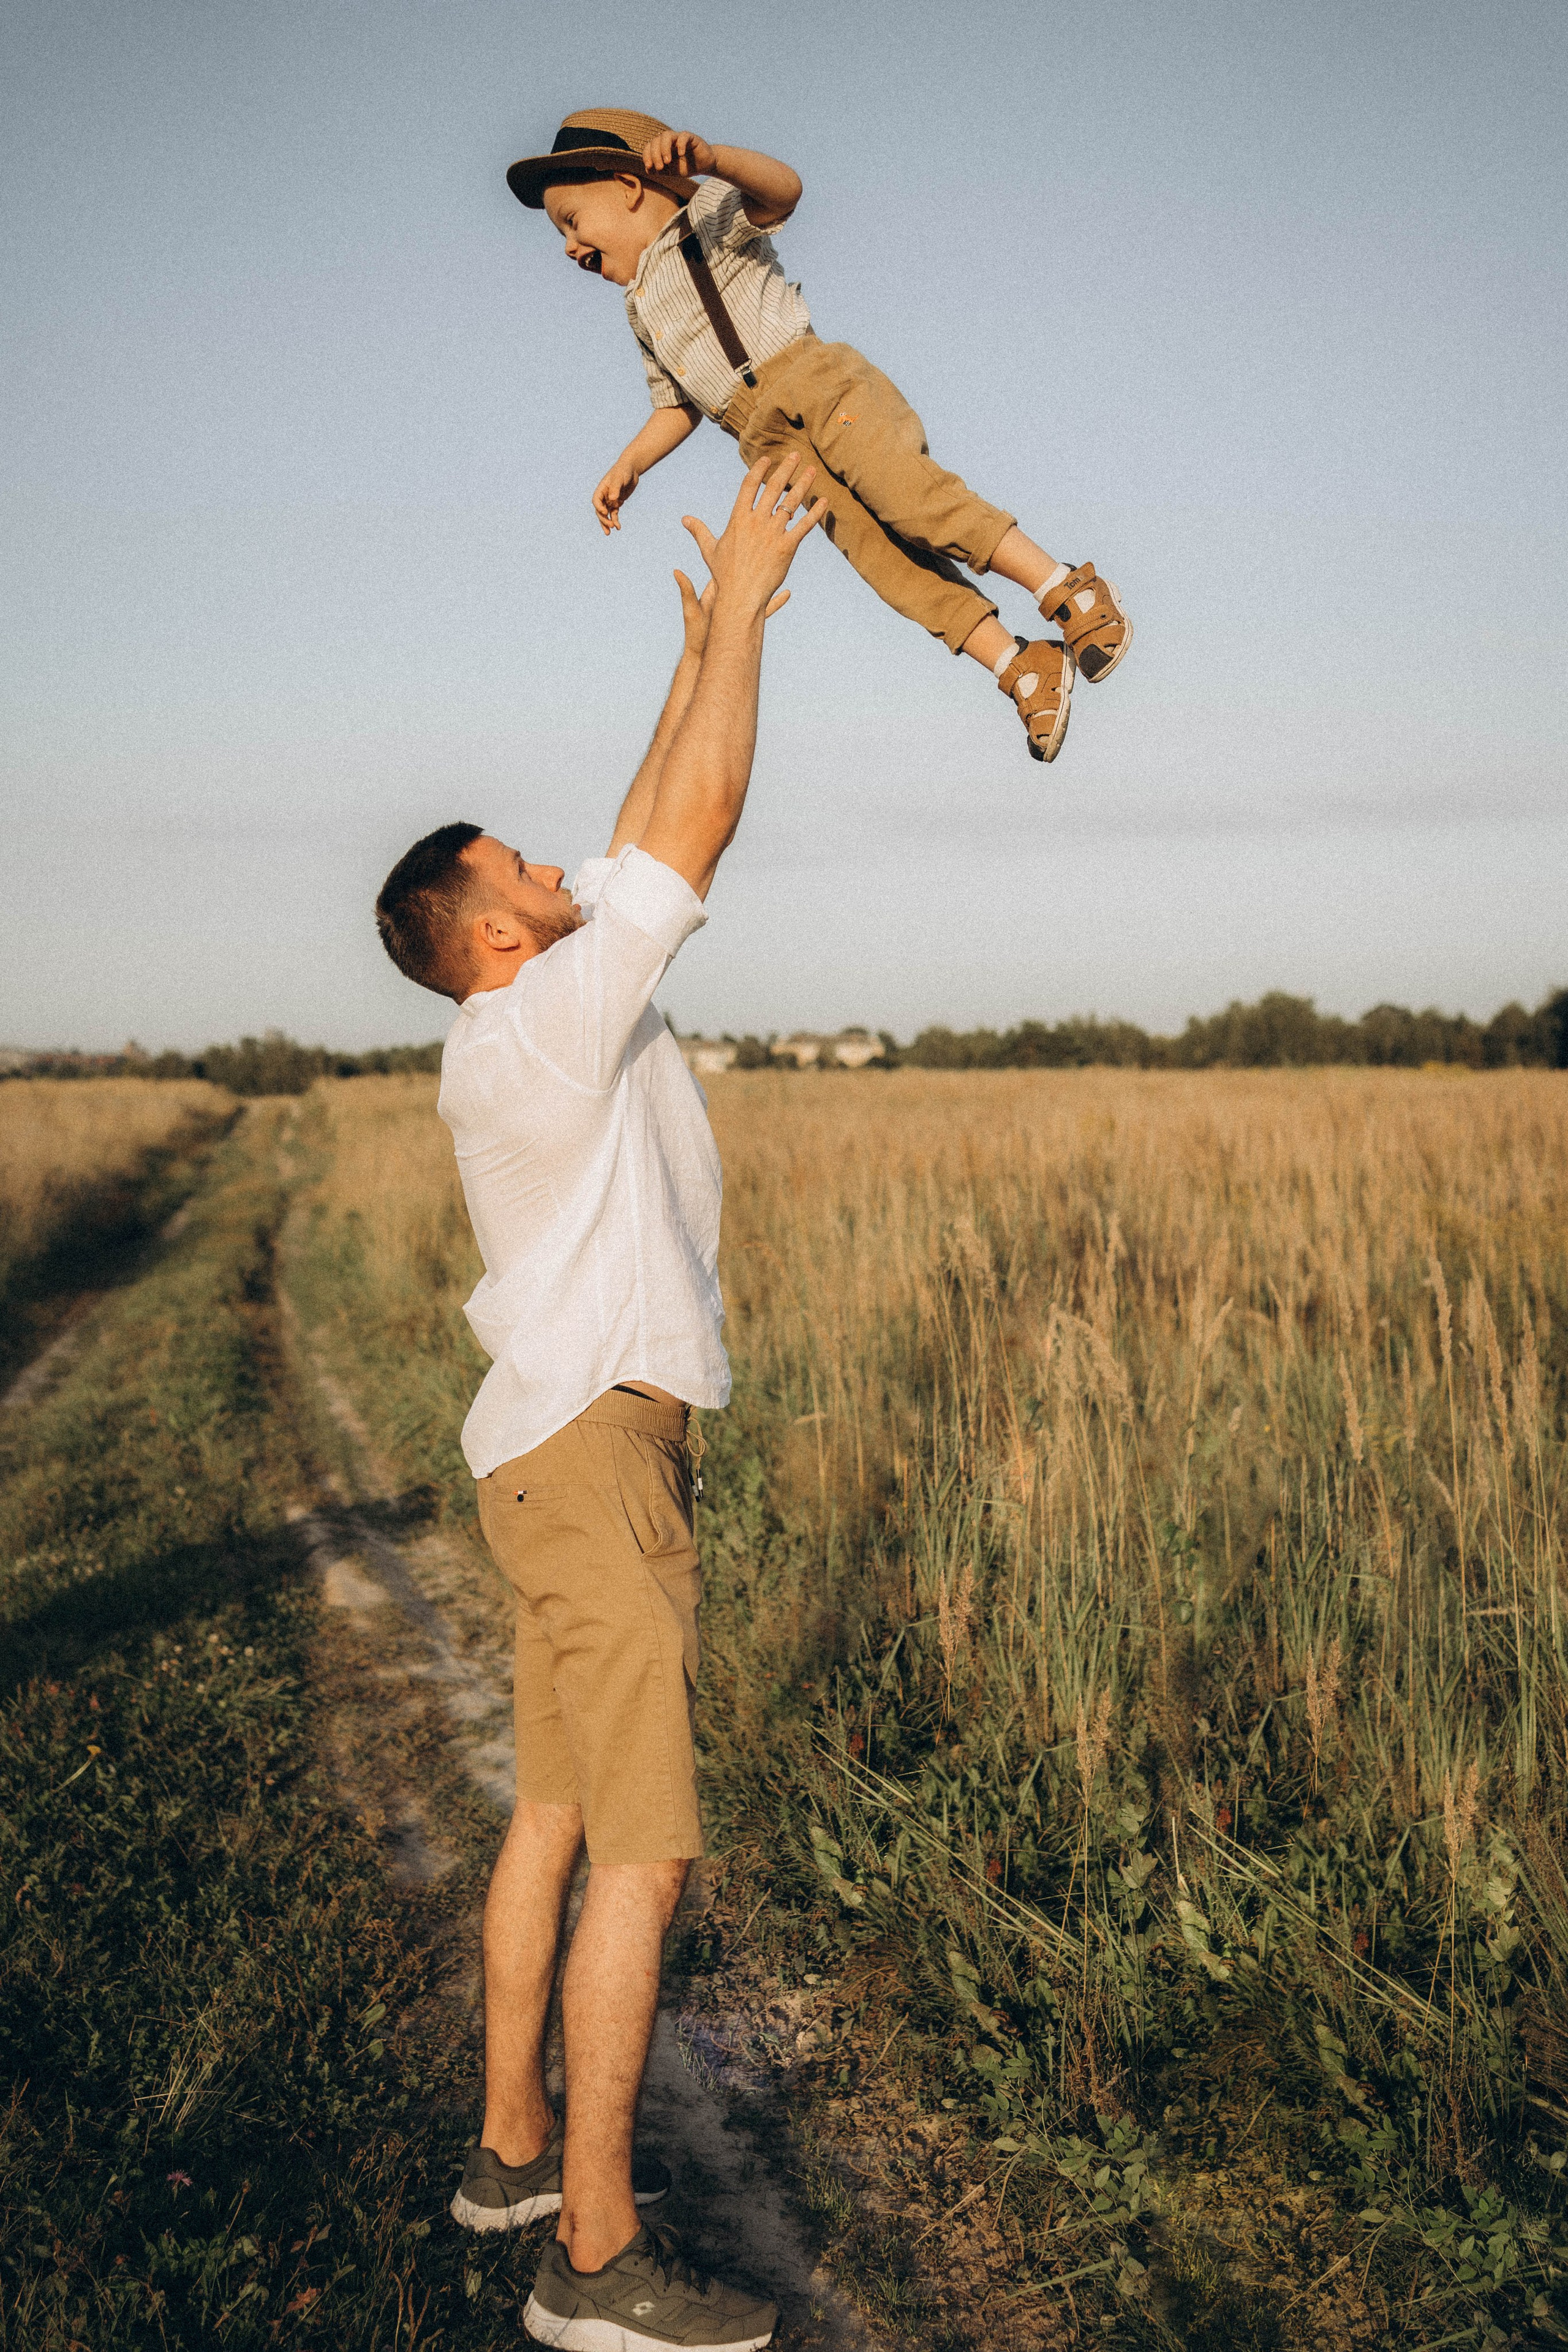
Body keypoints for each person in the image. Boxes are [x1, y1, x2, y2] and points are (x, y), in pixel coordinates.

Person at [373, 456, 824, 2352]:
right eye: (522, 874)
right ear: (486, 932)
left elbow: (650, 806)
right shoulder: (549, 1015)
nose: (558, 870)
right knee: (637, 1842)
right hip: (603, 1461)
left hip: (543, 1465)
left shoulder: (514, 1020)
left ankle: (506, 2150)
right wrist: (734, 613)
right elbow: (701, 814)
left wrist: (707, 639)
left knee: (551, 1809)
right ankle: (597, 2259)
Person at [505, 105, 1133, 766]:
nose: (569, 248)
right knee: (882, 562)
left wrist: (713, 158)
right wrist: (630, 463)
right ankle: (1020, 666)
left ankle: (1065, 587)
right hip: (766, 444)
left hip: (816, 382)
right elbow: (676, 405)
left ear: (629, 186)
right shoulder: (639, 308)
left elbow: (784, 192)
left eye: (570, 223)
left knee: (913, 500)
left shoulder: (711, 212)